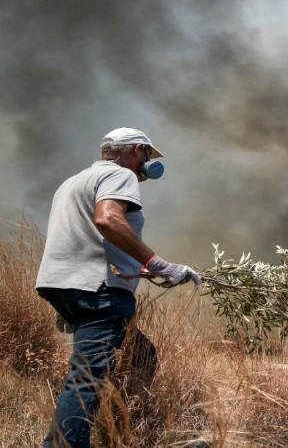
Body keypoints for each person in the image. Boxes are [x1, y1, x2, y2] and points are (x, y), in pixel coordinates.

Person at [35, 127, 201, 448]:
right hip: (99, 290)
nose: (147, 165)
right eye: (148, 156)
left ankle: (119, 432)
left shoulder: (72, 182)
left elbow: (87, 237)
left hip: (63, 286)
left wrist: (134, 267)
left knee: (141, 356)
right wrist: (158, 264)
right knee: (88, 377)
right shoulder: (120, 176)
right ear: (137, 150)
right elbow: (107, 220)